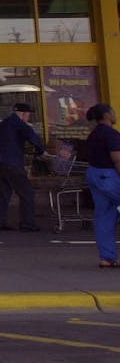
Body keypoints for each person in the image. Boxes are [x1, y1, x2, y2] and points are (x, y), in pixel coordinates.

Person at [0, 102, 47, 231]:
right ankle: (27, 223)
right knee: (27, 193)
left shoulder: (5, 122)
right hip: (12, 163)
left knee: (3, 192)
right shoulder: (19, 123)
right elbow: (31, 136)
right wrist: (42, 151)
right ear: (23, 113)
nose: (29, 118)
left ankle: (1, 221)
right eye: (28, 115)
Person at [82, 103, 120, 268]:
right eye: (113, 112)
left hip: (94, 175)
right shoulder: (111, 134)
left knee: (104, 216)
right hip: (109, 176)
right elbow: (117, 159)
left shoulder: (93, 135)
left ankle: (107, 258)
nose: (115, 114)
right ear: (106, 115)